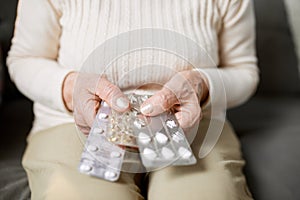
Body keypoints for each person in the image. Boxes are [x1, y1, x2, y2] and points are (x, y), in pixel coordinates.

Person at [7, 0, 259, 199]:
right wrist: (71, 88)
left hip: (195, 123)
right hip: (70, 122)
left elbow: (244, 70)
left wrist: (202, 85)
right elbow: (23, 59)